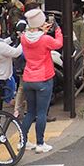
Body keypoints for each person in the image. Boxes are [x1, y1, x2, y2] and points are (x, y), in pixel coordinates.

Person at [20, 9, 62, 153]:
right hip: (43, 78)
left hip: (28, 78)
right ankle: (40, 143)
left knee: (30, 112)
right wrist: (57, 30)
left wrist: (41, 30)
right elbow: (58, 44)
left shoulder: (24, 37)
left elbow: (34, 38)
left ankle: (23, 141)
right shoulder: (45, 39)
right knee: (41, 113)